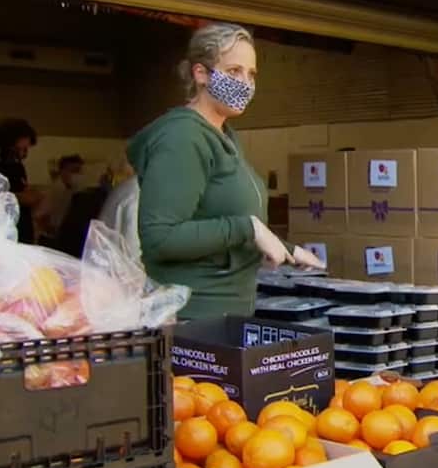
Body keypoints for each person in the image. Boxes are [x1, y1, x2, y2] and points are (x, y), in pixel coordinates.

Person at [127, 22, 321, 320]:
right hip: (194, 319)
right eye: (234, 72)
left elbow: (217, 217)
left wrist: (286, 249)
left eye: (251, 74)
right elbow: (160, 238)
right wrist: (249, 228)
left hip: (228, 316)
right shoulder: (182, 137)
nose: (245, 83)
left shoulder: (225, 135)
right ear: (201, 74)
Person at [0, 118, 40, 244]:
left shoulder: (17, 167)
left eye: (26, 149)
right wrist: (20, 197)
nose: (23, 154)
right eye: (19, 149)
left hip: (20, 233)